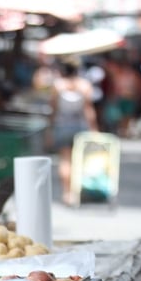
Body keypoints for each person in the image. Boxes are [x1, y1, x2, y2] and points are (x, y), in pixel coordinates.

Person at [49, 56, 98, 206]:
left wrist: (50, 128)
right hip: (80, 127)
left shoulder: (57, 85)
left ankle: (66, 193)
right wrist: (94, 129)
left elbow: (53, 109)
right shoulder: (85, 85)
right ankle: (75, 192)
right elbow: (88, 109)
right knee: (79, 160)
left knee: (65, 160)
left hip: (62, 126)